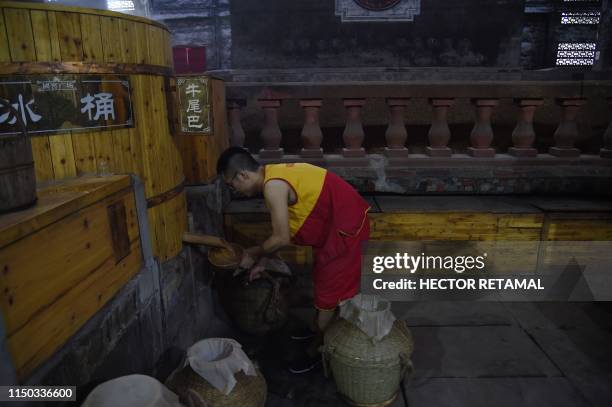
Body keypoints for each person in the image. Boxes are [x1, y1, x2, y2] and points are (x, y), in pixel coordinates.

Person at [216, 147, 370, 373]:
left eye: (231, 184)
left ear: (243, 175)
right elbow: (281, 234)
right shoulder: (274, 173)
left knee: (329, 294)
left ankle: (318, 351)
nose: (234, 190)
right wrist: (263, 261)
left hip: (346, 231)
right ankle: (318, 328)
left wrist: (253, 253)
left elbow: (280, 237)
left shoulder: (273, 187)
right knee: (322, 282)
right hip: (339, 226)